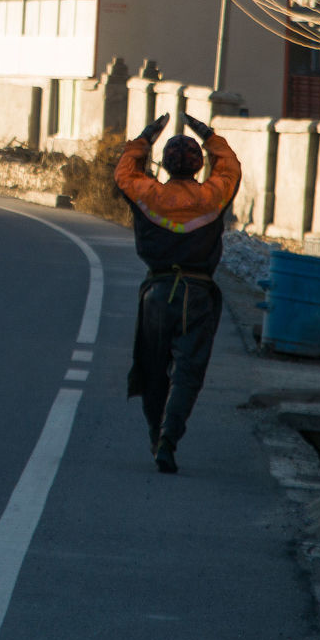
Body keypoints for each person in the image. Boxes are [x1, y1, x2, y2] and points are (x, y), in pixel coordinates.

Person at [115, 114, 242, 474]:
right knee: (188, 373)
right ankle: (169, 440)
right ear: (200, 165)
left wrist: (145, 138)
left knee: (153, 371)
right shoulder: (212, 196)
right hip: (198, 295)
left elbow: (124, 172)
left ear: (165, 165)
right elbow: (230, 168)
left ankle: (155, 434)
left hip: (156, 294)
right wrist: (209, 135)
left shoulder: (148, 193)